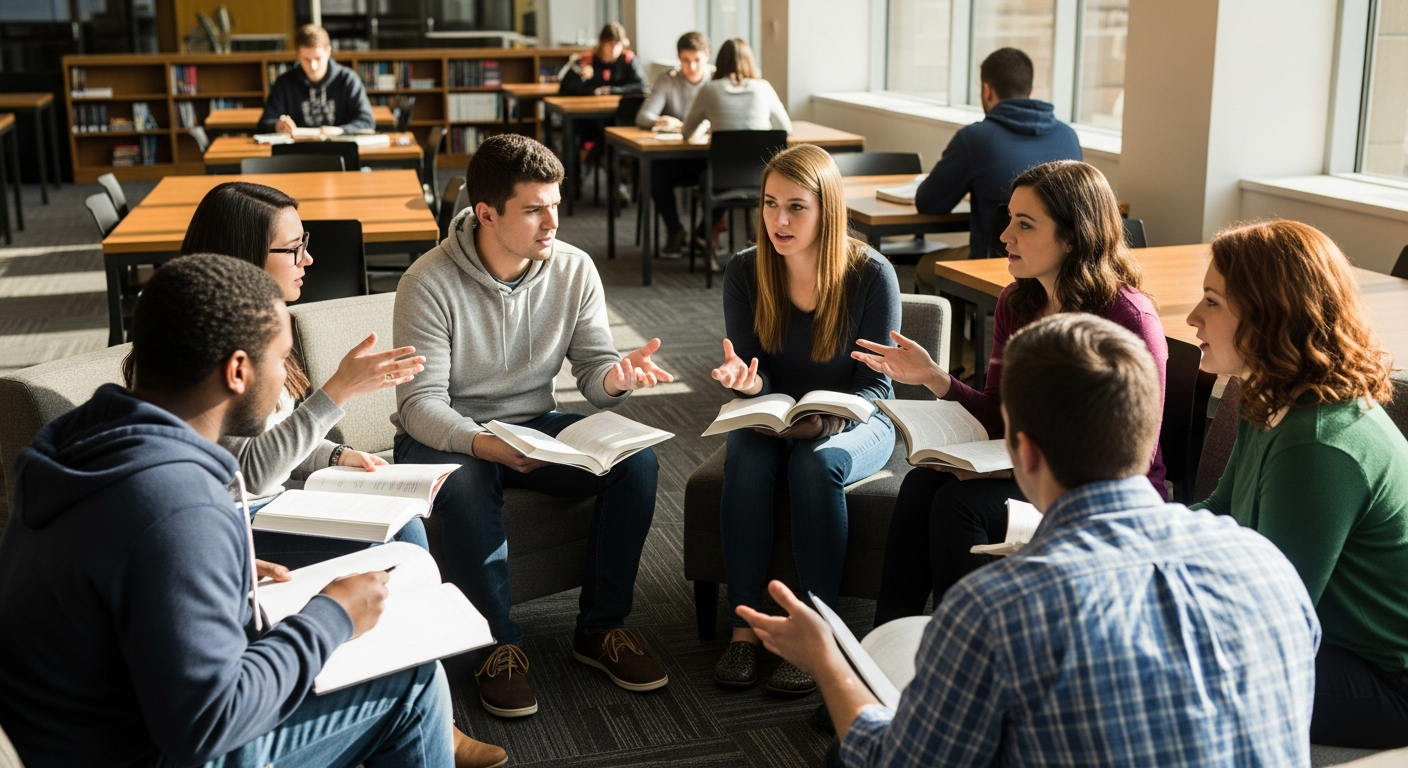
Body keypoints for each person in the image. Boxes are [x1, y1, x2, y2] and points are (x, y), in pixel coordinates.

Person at [741, 313, 1321, 767]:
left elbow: (892, 761)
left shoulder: (997, 610)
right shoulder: (1266, 563)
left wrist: (826, 661)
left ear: (1022, 452)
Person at [0, 254, 462, 768]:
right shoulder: (178, 509)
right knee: (413, 684)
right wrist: (332, 618)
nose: (288, 379)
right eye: (280, 359)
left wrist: (209, 575)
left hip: (67, 735)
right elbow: (207, 728)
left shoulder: (81, 440)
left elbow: (114, 577)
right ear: (238, 369)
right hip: (142, 750)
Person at [393, 134, 673, 719]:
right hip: (448, 431)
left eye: (555, 203)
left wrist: (617, 380)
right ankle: (497, 647)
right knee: (467, 483)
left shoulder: (573, 268)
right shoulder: (429, 280)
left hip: (533, 423)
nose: (553, 221)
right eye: (534, 209)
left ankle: (601, 630)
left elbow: (595, 373)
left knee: (637, 463)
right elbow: (420, 404)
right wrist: (483, 442)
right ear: (486, 213)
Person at [862, 160, 1167, 627]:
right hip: (1031, 467)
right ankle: (882, 654)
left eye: (1024, 224)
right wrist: (934, 378)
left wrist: (1007, 467)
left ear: (1073, 235)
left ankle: (963, 665)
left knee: (957, 505)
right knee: (922, 482)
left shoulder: (1128, 318)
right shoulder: (1017, 301)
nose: (1005, 235)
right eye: (1009, 219)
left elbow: (1133, 454)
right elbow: (1000, 414)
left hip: (1102, 491)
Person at [1187, 219, 1408, 749]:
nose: (1193, 317)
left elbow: (1272, 612)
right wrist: (1113, 531)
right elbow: (1221, 510)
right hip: (1324, 640)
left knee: (1157, 674)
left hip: (1384, 679)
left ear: (1270, 318)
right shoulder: (1268, 393)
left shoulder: (1319, 442)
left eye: (1212, 302)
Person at [151, 181, 431, 566]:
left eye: (305, 242)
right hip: (228, 520)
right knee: (397, 536)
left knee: (402, 515)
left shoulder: (261, 325)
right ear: (246, 255)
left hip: (264, 501)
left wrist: (334, 456)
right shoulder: (212, 345)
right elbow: (251, 474)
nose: (309, 258)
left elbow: (270, 439)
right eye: (294, 247)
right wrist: (338, 391)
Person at [710, 144, 900, 697]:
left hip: (859, 417)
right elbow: (755, 370)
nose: (779, 220)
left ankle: (821, 633)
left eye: (796, 207)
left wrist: (829, 424)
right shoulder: (746, 270)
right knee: (745, 456)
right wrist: (750, 386)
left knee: (815, 467)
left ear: (827, 210)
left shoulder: (871, 275)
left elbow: (878, 384)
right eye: (770, 204)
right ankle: (745, 627)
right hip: (778, 415)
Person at [911, 48, 1081, 294]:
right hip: (1060, 268)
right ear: (1030, 90)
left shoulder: (975, 138)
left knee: (925, 266)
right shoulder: (1068, 136)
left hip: (996, 263)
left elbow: (929, 203)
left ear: (986, 90)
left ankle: (958, 333)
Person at [681, 37, 792, 262]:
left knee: (704, 177)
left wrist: (710, 125)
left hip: (720, 181)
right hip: (763, 180)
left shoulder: (710, 89)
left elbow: (687, 133)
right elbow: (785, 128)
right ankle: (709, 234)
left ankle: (705, 233)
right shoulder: (764, 87)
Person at [636, 31, 712, 259]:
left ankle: (703, 233)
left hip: (709, 157)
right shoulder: (668, 80)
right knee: (653, 173)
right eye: (686, 61)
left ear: (707, 56)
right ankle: (675, 229)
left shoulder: (717, 82)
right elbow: (643, 117)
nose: (692, 67)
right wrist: (660, 120)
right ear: (679, 59)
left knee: (731, 175)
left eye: (697, 60)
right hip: (676, 157)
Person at [258, 24, 375, 136]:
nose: (313, 66)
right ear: (298, 54)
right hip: (297, 152)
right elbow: (265, 123)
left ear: (328, 51)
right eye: (306, 59)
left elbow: (366, 122)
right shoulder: (284, 83)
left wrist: (340, 131)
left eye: (318, 58)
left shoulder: (348, 79)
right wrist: (277, 125)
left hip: (339, 148)